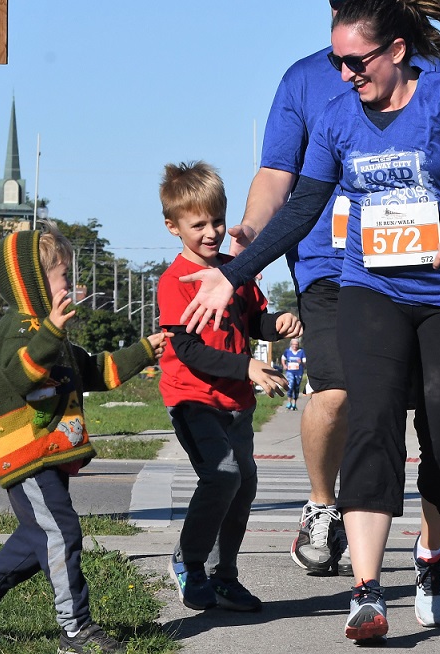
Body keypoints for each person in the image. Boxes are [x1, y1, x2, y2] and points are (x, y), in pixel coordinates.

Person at [178, 0, 440, 642]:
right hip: (373, 285)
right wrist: (233, 274)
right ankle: (365, 591)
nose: (345, 74)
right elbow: (300, 210)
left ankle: (432, 556)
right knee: (371, 416)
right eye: (338, 62)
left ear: (395, 51)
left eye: (358, 63)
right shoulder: (336, 117)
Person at [230, 0, 440, 578]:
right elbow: (278, 170)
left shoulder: (421, 71)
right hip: (329, 266)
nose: (340, 7)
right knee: (337, 389)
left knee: (417, 412)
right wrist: (253, 228)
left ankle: (426, 542)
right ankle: (322, 505)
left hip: (410, 264)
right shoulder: (304, 79)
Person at [0, 221, 166, 654]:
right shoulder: (15, 332)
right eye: (64, 275)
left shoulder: (54, 336)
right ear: (33, 282)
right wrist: (50, 332)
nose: (72, 284)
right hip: (27, 453)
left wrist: (144, 350)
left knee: (39, 536)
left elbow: (95, 371)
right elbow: (21, 373)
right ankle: (75, 629)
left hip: (49, 452)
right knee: (62, 532)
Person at [157, 161, 302, 612]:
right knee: (221, 476)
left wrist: (275, 324)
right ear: (173, 227)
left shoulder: (236, 270)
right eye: (197, 224)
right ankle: (190, 563)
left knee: (244, 484)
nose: (211, 231)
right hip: (192, 399)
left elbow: (253, 320)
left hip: (234, 404)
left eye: (217, 220)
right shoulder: (173, 281)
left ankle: (225, 576)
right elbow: (190, 351)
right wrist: (248, 368)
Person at [281, 338, 306, 410]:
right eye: (293, 344)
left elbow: (304, 364)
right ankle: (289, 402)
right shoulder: (287, 351)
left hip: (298, 372)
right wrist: (284, 365)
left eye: (296, 344)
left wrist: (300, 362)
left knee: (296, 387)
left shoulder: (301, 352)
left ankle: (294, 403)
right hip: (290, 371)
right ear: (291, 345)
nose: (295, 346)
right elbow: (283, 358)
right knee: (290, 385)